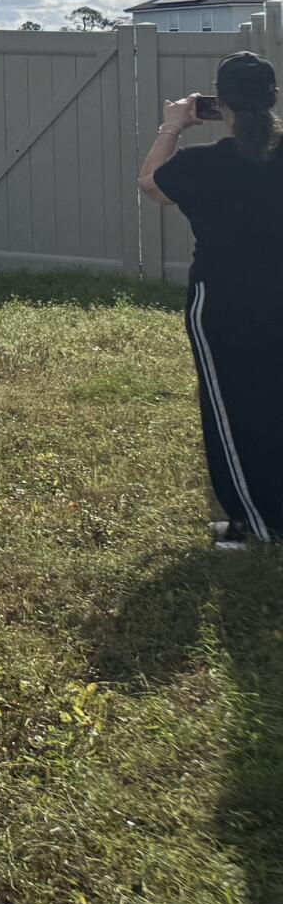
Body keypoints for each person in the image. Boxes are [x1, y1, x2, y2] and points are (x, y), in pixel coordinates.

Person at [140, 50, 283, 550]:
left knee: (231, 408)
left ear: (217, 103)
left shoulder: (201, 164)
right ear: (272, 100)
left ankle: (253, 524)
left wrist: (173, 127)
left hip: (221, 302)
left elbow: (150, 184)